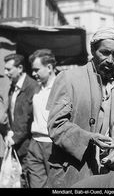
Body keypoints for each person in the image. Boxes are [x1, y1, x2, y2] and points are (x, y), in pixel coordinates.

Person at [46, 27, 114, 188]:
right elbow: (56, 126)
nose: (110, 59)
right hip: (73, 173)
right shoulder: (68, 79)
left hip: (110, 176)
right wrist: (89, 138)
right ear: (93, 50)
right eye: (105, 52)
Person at [3, 53, 39, 187]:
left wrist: (15, 137)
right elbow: (12, 113)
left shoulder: (32, 87)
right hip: (16, 143)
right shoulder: (13, 86)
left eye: (8, 69)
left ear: (19, 68)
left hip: (28, 145)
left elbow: (28, 118)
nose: (5, 73)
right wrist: (8, 132)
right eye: (5, 69)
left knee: (28, 180)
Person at [25, 49, 57, 188]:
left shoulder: (62, 88)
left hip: (54, 145)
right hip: (35, 144)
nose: (33, 74)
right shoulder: (36, 88)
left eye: (36, 70)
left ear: (49, 67)